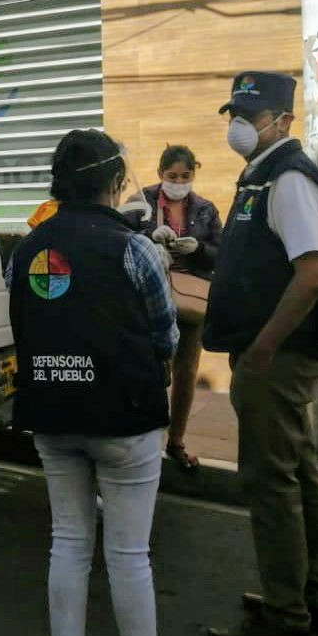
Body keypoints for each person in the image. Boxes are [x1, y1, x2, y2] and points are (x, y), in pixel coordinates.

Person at [7, 129, 177, 636]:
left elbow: (24, 324)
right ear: (114, 182)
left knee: (68, 543)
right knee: (130, 555)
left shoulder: (29, 249)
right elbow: (166, 333)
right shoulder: (136, 248)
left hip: (53, 413)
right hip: (127, 418)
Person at [203, 71, 318, 636]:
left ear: (283, 119)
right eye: (235, 111)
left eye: (251, 113)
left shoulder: (289, 179)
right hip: (270, 354)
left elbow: (311, 276)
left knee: (269, 480)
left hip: (277, 357)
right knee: (297, 471)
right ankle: (313, 595)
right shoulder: (260, 176)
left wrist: (260, 350)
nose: (239, 123)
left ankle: (286, 617)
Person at [129, 146, 223, 469]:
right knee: (152, 365)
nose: (179, 182)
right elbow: (121, 235)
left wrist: (197, 249)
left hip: (192, 298)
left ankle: (176, 440)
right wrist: (150, 235)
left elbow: (220, 254)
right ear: (160, 174)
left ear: (193, 175)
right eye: (172, 176)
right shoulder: (142, 200)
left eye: (185, 176)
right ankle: (145, 438)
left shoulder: (206, 209)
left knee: (186, 369)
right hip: (151, 294)